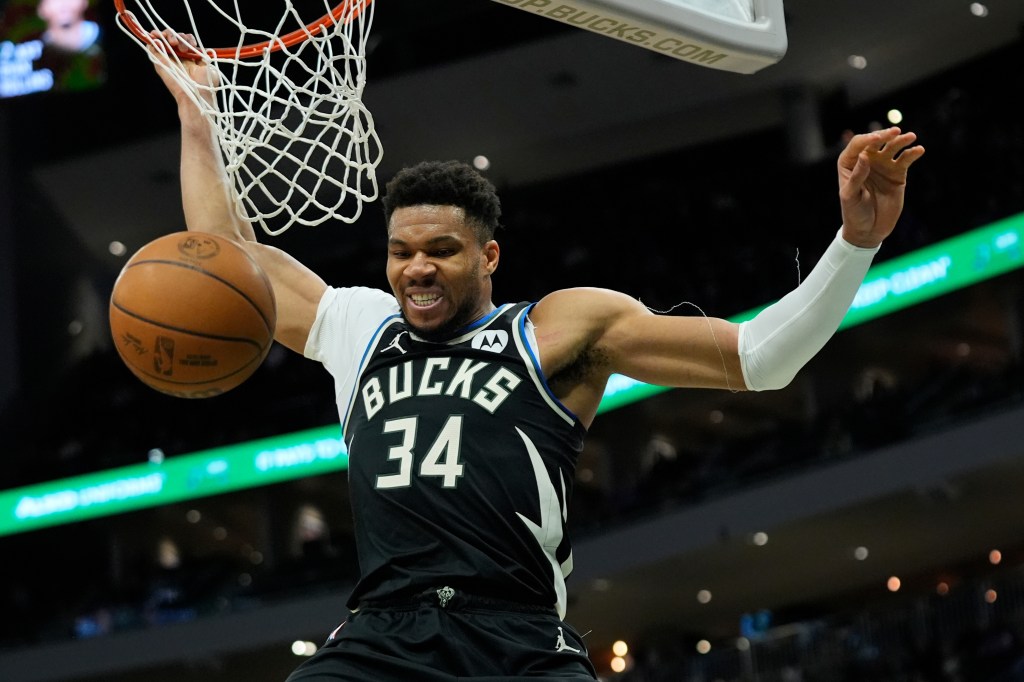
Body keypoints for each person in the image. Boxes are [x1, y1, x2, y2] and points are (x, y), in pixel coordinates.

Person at [148, 30, 925, 681]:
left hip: (516, 640)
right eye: (401, 252)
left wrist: (856, 243)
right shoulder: (360, 325)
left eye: (442, 251)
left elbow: (762, 357)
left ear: (488, 256)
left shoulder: (560, 328)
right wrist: (197, 120)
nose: (417, 268)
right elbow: (225, 263)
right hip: (383, 638)